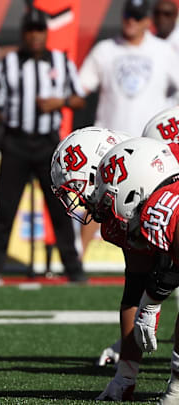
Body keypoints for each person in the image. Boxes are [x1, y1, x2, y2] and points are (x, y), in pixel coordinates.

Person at [0, 8, 87, 284]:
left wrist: (58, 103)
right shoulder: (8, 63)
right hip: (15, 142)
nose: (35, 36)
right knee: (5, 208)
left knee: (60, 209)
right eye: (30, 31)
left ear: (46, 33)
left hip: (48, 145)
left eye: (40, 30)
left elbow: (79, 98)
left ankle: (73, 269)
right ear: (24, 34)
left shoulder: (61, 61)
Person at [79, 0, 179, 256]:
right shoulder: (105, 50)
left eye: (136, 17)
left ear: (147, 20)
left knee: (158, 205)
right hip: (110, 142)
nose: (130, 22)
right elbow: (80, 88)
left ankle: (163, 265)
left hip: (150, 145)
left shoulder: (164, 51)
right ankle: (79, 258)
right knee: (97, 201)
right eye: (127, 16)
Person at [90, 136, 179, 402]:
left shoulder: (159, 206)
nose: (98, 204)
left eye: (106, 196)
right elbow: (139, 284)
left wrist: (151, 302)